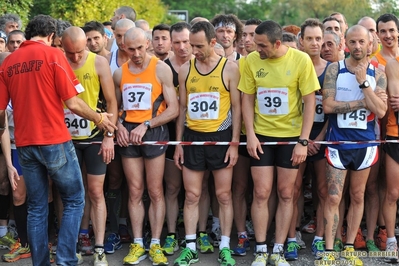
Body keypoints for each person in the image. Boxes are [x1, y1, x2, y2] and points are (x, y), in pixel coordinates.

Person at [0, 14, 117, 266]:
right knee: (75, 199)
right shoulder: (54, 56)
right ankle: (65, 260)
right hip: (54, 139)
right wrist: (98, 118)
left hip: (24, 143)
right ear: (52, 36)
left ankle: (40, 263)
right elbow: (73, 102)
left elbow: (0, 111)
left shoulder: (8, 62)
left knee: (36, 207)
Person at [239, 20, 318, 266]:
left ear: (277, 43)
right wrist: (250, 135)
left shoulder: (300, 60)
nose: (257, 50)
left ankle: (279, 249)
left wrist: (303, 141)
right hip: (261, 136)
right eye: (255, 45)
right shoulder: (252, 61)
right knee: (261, 192)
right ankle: (261, 249)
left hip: (290, 137)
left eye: (262, 46)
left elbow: (310, 103)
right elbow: (247, 100)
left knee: (286, 194)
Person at [173, 21, 240, 266]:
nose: (193, 50)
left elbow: (237, 107)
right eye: (191, 45)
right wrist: (179, 143)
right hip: (192, 138)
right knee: (192, 195)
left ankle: (224, 246)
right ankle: (190, 247)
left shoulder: (229, 68)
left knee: (223, 195)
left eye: (198, 46)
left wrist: (234, 143)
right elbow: (181, 108)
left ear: (213, 42)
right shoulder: (185, 70)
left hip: (221, 138)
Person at [321, 25, 387, 265]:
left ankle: (348, 248)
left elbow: (380, 111)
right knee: (333, 196)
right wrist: (363, 102)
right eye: (353, 42)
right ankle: (329, 251)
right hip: (338, 142)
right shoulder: (334, 70)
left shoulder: (378, 74)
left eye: (362, 42)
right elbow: (328, 106)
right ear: (345, 44)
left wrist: (364, 84)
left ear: (370, 43)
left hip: (365, 144)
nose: (357, 46)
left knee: (358, 195)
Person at [114, 27, 178, 265]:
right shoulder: (119, 74)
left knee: (155, 191)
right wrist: (118, 126)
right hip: (128, 135)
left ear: (148, 44)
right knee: (134, 191)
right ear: (124, 48)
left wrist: (147, 124)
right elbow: (115, 108)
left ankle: (155, 244)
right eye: (131, 49)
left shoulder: (161, 69)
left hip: (153, 132)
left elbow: (173, 109)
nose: (137, 53)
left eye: (140, 47)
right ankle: (138, 243)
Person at [62, 26, 118, 264]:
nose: (74, 57)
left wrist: (109, 137)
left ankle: (99, 249)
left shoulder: (98, 63)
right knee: (70, 193)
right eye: (69, 53)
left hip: (95, 135)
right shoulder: (58, 62)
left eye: (78, 51)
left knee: (95, 192)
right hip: (66, 138)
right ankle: (73, 243)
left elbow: (113, 103)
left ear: (86, 43)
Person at [296, 18, 329, 261]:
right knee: (294, 190)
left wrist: (316, 138)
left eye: (319, 38)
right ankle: (293, 236)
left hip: (322, 138)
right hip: (297, 137)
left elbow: (333, 111)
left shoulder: (333, 69)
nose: (315, 43)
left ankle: (319, 238)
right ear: (301, 41)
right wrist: (303, 139)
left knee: (323, 190)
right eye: (310, 38)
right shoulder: (294, 66)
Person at [162, 21, 194, 256]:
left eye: (186, 42)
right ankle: (172, 234)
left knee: (197, 192)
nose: (182, 47)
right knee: (172, 188)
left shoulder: (203, 66)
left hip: (200, 135)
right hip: (170, 136)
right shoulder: (163, 68)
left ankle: (200, 233)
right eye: (177, 42)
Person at [231, 18, 262, 257]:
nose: (249, 40)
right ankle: (241, 233)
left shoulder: (272, 61)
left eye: (253, 35)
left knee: (263, 191)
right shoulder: (234, 65)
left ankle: (266, 234)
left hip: (267, 134)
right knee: (240, 187)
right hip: (240, 134)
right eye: (246, 35)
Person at [383, 52, 399, 263]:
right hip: (395, 134)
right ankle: (391, 241)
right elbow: (395, 99)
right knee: (393, 193)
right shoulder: (394, 64)